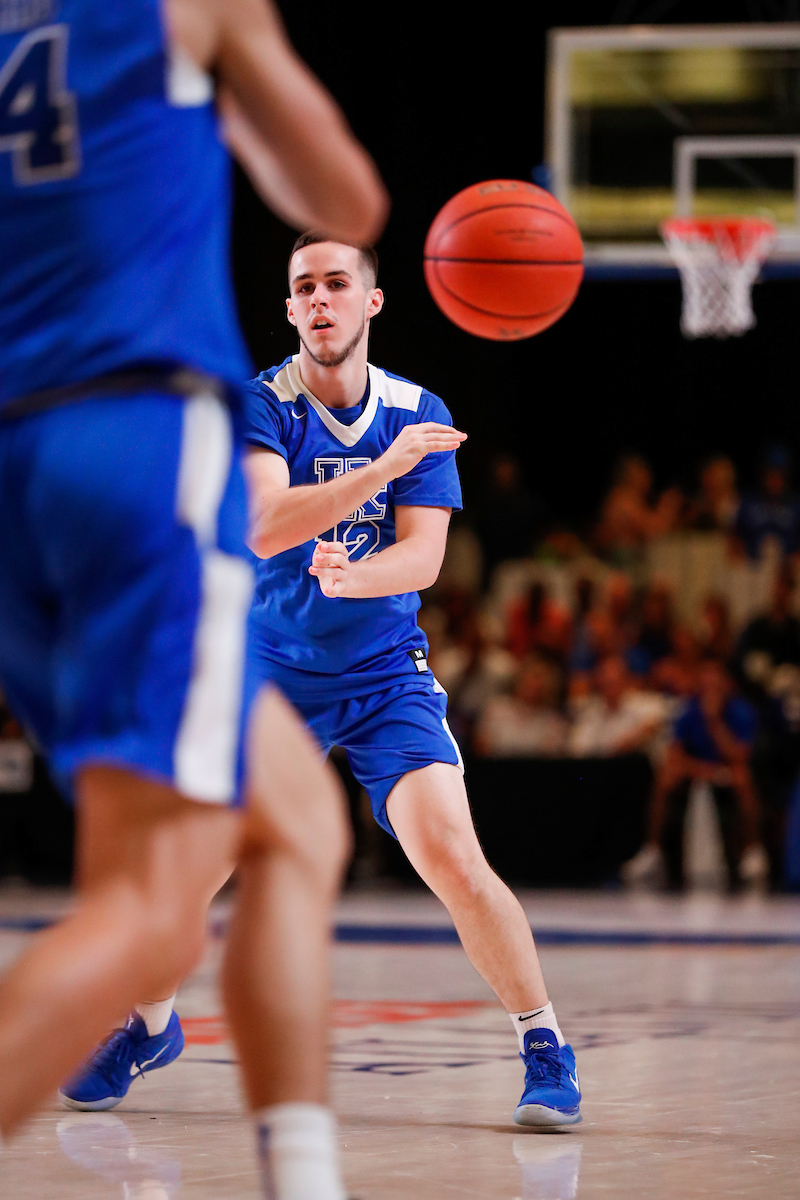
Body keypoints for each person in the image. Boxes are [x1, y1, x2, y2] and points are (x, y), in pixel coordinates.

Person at [64, 233, 583, 1130]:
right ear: (290, 306)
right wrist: (378, 474)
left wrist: (355, 575)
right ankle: (150, 1025)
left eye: (337, 284)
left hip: (384, 673)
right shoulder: (263, 402)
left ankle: (545, 1044)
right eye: (304, 286)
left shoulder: (419, 407)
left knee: (453, 857)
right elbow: (266, 526)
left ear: (372, 302)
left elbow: (421, 560)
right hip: (269, 673)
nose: (319, 299)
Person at [0, 3, 387, 1198]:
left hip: (18, 467)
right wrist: (236, 65)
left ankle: (304, 1173)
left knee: (297, 828)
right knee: (147, 903)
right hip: (140, 437)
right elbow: (344, 198)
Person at [623, 658, 768, 891]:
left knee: (743, 778)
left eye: (715, 682)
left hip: (727, 772)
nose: (710, 687)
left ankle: (753, 851)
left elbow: (741, 756)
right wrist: (701, 770)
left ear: (727, 683)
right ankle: (652, 851)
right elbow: (674, 754)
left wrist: (715, 723)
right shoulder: (689, 709)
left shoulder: (741, 710)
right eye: (705, 681)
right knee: (666, 777)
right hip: (697, 771)